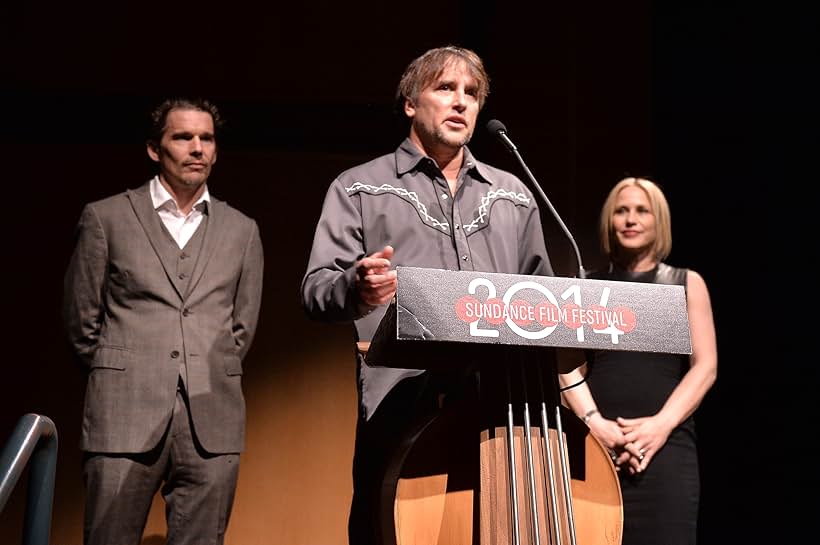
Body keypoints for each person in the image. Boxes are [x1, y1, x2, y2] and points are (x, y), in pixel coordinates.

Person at [300, 45, 554, 544]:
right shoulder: (359, 189)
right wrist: (357, 286)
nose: (461, 102)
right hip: (400, 409)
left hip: (498, 413)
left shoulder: (514, 196)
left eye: (472, 93)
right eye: (445, 88)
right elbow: (314, 290)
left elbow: (542, 301)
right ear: (411, 102)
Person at [63, 97, 264, 545]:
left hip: (212, 418)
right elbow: (82, 321)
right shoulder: (107, 217)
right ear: (156, 149)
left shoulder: (241, 229)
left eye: (206, 138)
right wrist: (124, 373)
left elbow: (241, 327)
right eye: (183, 137)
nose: (197, 148)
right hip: (123, 412)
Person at [559, 176, 717, 545]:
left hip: (666, 453)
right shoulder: (586, 285)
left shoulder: (685, 283)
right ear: (609, 222)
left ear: (658, 220)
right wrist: (596, 425)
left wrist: (658, 427)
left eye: (642, 211)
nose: (631, 219)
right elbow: (565, 368)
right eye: (622, 211)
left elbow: (705, 367)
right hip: (595, 451)